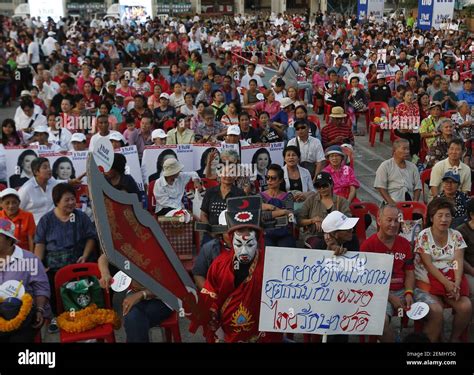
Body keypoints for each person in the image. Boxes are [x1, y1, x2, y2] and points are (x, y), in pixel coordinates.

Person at [199, 196, 282, 343]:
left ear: (258, 241)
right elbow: (210, 291)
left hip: (261, 333)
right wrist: (210, 311)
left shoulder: (272, 263)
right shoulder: (219, 264)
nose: (243, 252)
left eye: (249, 244)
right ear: (231, 240)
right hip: (228, 331)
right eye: (238, 244)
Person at [361, 204, 441, 343]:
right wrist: (391, 297)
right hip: (380, 293)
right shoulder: (368, 246)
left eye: (397, 221)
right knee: (380, 322)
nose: (393, 224)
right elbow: (366, 281)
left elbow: (409, 272)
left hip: (404, 289)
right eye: (389, 220)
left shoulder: (404, 244)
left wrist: (409, 292)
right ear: (379, 221)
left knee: (437, 311)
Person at [34, 183, 97, 334]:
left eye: (72, 199)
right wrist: (39, 265)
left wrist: (85, 255)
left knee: (82, 287)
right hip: (54, 265)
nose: (71, 203)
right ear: (57, 201)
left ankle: (80, 314)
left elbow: (91, 238)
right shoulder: (46, 220)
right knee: (48, 283)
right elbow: (40, 244)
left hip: (77, 263)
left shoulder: (80, 217)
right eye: (67, 200)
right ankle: (56, 316)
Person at [413, 197, 472, 342]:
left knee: (466, 307)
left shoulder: (456, 235)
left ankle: (453, 338)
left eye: (448, 215)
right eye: (439, 215)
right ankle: (437, 338)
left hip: (451, 281)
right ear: (432, 217)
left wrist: (457, 283)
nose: (444, 219)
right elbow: (428, 265)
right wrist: (446, 283)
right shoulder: (424, 236)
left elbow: (458, 261)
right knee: (436, 311)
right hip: (426, 282)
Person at [0, 218, 50, 343]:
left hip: (24, 314)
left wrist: (39, 310)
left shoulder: (29, 259)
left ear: (9, 240)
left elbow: (41, 288)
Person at [321, 210, 359, 343]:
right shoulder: (317, 245)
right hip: (323, 297)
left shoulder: (353, 240)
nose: (352, 230)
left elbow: (356, 267)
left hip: (345, 294)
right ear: (335, 234)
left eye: (351, 228)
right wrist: (329, 254)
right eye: (347, 229)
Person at [18, 157, 84, 224]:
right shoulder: (26, 189)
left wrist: (73, 181)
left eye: (49, 167)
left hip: (55, 224)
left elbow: (60, 182)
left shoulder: (51, 181)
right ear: (36, 172)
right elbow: (16, 210)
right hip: (35, 228)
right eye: (45, 168)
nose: (49, 170)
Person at [374, 139, 422, 204]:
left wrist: (414, 203)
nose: (407, 152)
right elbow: (381, 187)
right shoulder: (385, 166)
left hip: (409, 201)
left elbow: (417, 187)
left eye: (408, 149)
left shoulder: (413, 167)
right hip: (392, 200)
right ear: (394, 150)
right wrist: (392, 203)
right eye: (404, 149)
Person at [260, 164, 295, 247]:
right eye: (267, 177)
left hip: (284, 233)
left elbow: (290, 217)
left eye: (273, 178)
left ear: (280, 180)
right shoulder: (260, 196)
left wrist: (268, 208)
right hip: (266, 233)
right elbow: (262, 216)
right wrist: (282, 211)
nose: (269, 180)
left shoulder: (288, 196)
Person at [458, 199, 474, 308]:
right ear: (472, 215)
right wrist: (472, 271)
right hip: (468, 272)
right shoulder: (461, 232)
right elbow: (459, 258)